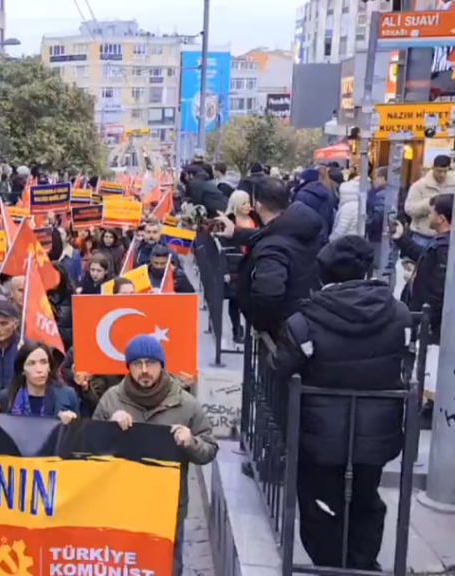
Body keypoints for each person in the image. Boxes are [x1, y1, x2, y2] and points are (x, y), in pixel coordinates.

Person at [271, 236, 410, 571]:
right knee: (366, 496)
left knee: (318, 498)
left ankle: (331, 563)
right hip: (378, 430)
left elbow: (280, 369)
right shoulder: (400, 314)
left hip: (319, 432)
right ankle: (361, 562)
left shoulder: (303, 322)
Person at [92, 335, 218, 576]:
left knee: (167, 568)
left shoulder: (186, 404)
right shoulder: (111, 399)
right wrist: (109, 425)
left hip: (167, 509)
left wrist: (191, 442)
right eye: (137, 364)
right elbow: (92, 449)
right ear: (127, 367)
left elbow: (209, 449)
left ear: (162, 365)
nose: (144, 370)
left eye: (150, 363)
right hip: (122, 506)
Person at [218, 177, 323, 335]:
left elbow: (268, 294)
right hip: (303, 316)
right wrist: (237, 233)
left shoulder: (272, 248)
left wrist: (261, 325)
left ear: (258, 206)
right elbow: (276, 233)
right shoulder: (298, 225)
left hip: (283, 329)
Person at [393, 194, 451, 404]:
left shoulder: (445, 247)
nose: (429, 215)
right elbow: (423, 254)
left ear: (442, 218)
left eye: (432, 212)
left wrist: (428, 319)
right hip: (425, 315)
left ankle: (427, 404)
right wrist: (402, 239)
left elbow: (439, 289)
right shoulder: (441, 244)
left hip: (429, 319)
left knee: (427, 364)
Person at [0, 341, 79, 422]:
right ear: (22, 370)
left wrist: (73, 424)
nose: (39, 369)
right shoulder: (5, 398)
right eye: (31, 363)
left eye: (43, 362)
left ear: (49, 367)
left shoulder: (68, 395)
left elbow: (80, 435)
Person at [224, 190, 258, 343]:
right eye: (244, 203)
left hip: (251, 262)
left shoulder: (254, 218)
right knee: (235, 299)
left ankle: (249, 329)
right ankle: (237, 330)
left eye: (249, 203)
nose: (248, 206)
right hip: (235, 266)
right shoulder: (229, 220)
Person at [406, 155, 455, 247]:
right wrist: (429, 203)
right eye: (439, 171)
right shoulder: (419, 186)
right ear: (433, 168)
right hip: (423, 235)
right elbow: (409, 209)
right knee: (419, 259)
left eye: (445, 171)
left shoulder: (453, 184)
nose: (442, 174)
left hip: (447, 237)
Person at [293, 168, 335, 246]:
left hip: (306, 239)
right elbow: (330, 217)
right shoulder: (328, 194)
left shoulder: (301, 194)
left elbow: (297, 218)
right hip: (324, 237)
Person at [330, 171, 361, 241]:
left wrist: (331, 239)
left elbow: (341, 228)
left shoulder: (347, 208)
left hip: (346, 242)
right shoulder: (360, 205)